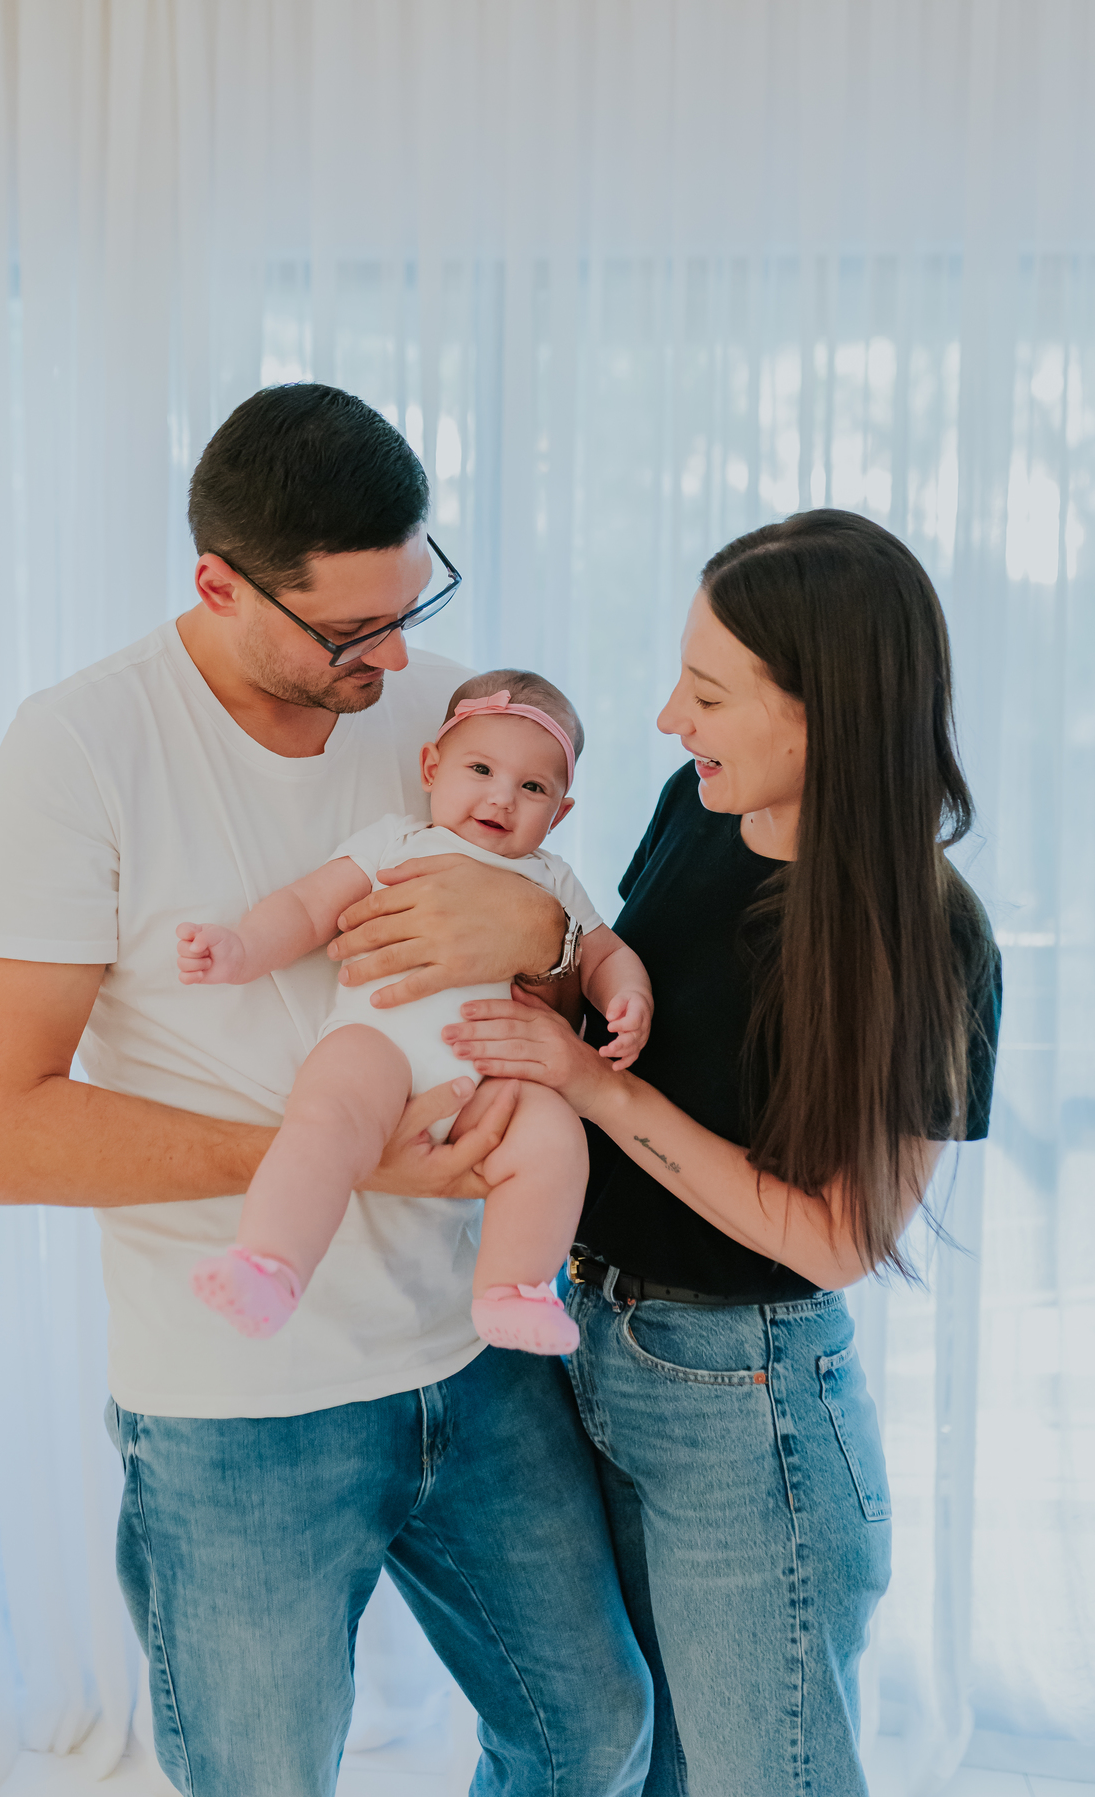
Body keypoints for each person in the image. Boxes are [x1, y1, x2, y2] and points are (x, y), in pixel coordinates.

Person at [0, 384, 653, 1796]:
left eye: (411, 602)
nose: (392, 655)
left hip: (475, 1355)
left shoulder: (446, 718)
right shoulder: (82, 748)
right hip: (240, 1410)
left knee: (593, 1732)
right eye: (349, 631)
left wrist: (553, 941)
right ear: (218, 583)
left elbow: (562, 962)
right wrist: (340, 1155)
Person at [438, 511, 1003, 1796]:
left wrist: (585, 1082)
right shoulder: (692, 811)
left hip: (746, 1412)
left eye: (706, 694)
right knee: (634, 1763)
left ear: (823, 713)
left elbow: (835, 1240)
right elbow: (608, 997)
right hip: (589, 1341)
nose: (666, 721)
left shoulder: (928, 937)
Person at [179, 670, 653, 1353]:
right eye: (481, 768)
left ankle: (511, 1289)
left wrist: (627, 996)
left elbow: (603, 953)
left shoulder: (553, 878)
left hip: (497, 1074)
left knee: (556, 1140)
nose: (501, 797)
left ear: (562, 811)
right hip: (381, 1042)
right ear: (433, 766)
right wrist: (242, 947)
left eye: (533, 787)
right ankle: (269, 1263)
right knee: (327, 1119)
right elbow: (310, 906)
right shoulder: (396, 842)